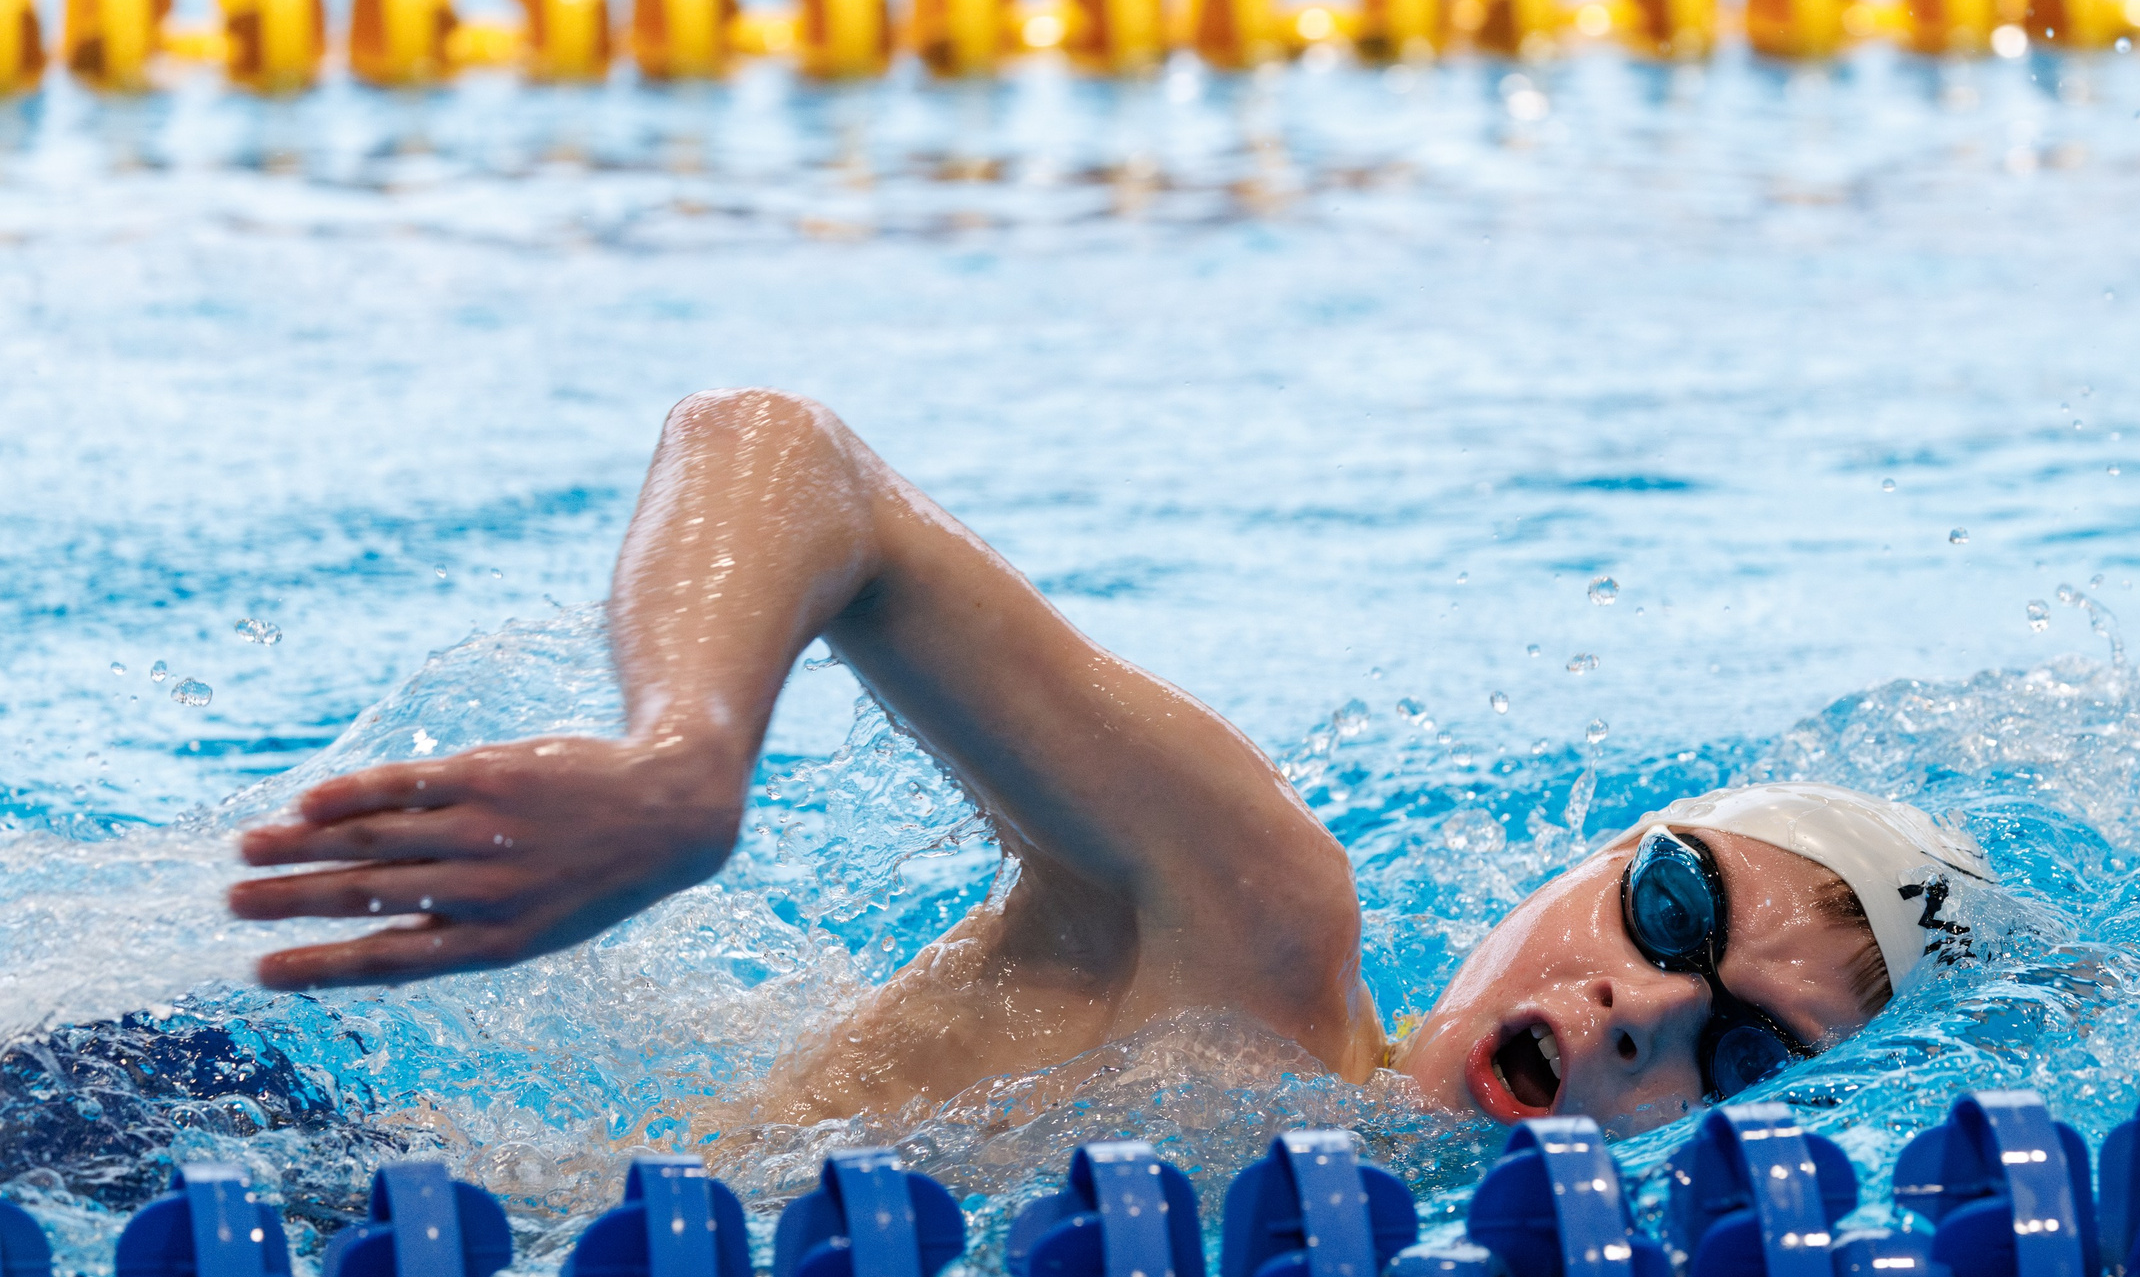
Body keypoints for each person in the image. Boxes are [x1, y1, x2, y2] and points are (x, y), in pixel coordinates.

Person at [228, 390, 1990, 1139]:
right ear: (1581, 859)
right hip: (216, 1162)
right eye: (1672, 908)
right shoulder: (1251, 932)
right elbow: (785, 451)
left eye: (1746, 1053)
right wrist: (686, 760)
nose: (1636, 1014)